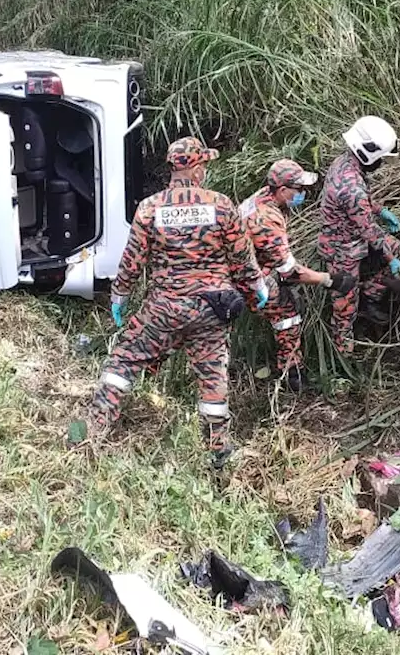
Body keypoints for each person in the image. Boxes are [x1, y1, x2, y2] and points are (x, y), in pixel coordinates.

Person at [82, 137, 268, 469]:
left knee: (123, 362)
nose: (205, 171)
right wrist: (256, 286)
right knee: (213, 380)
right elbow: (241, 258)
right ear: (197, 168)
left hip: (163, 310)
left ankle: (92, 431)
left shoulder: (150, 208)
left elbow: (132, 261)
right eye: (204, 165)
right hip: (211, 310)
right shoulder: (222, 205)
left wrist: (120, 296)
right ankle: (218, 450)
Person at [240, 159, 356, 389]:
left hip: (247, 269)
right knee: (287, 312)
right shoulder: (266, 219)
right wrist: (329, 280)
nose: (303, 193)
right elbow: (290, 272)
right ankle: (292, 374)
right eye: (299, 189)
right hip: (246, 280)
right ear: (282, 190)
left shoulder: (263, 197)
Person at [317, 116, 400, 355]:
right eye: (380, 158)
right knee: (344, 308)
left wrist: (381, 210)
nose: (381, 163)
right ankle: (344, 355)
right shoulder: (351, 187)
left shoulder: (345, 163)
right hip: (341, 250)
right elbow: (368, 230)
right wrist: (391, 260)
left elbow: (363, 206)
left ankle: (371, 292)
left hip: (356, 236)